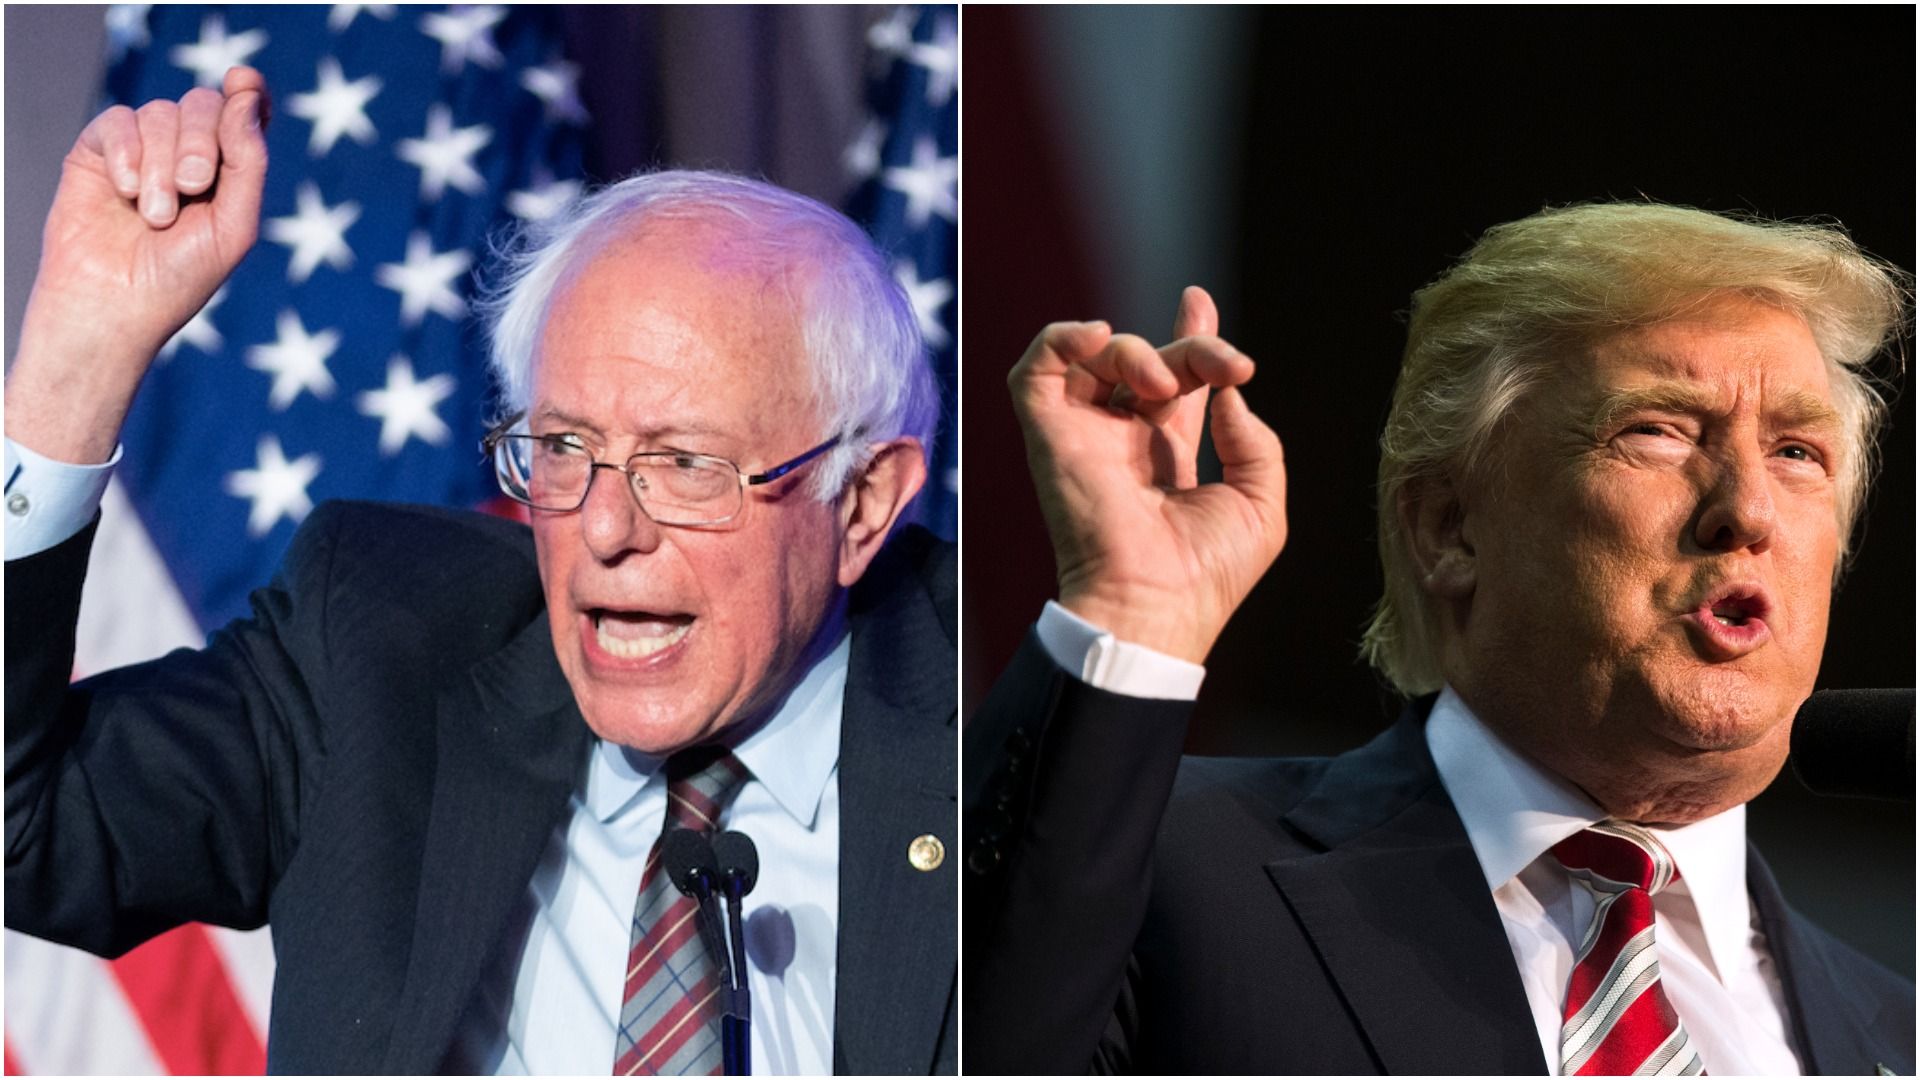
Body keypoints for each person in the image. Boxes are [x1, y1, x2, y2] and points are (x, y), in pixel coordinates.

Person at [6, 68, 956, 1075]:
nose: (603, 528)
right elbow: (24, 827)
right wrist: (79, 353)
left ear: (860, 504)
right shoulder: (386, 648)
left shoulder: (993, 747)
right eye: (564, 449)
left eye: (685, 466)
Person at [964, 202, 1913, 1074]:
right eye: (1658, 432)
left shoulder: (1893, 1031)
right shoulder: (1162, 871)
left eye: (1798, 453)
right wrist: (1132, 617)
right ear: (1449, 530)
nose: (1746, 510)